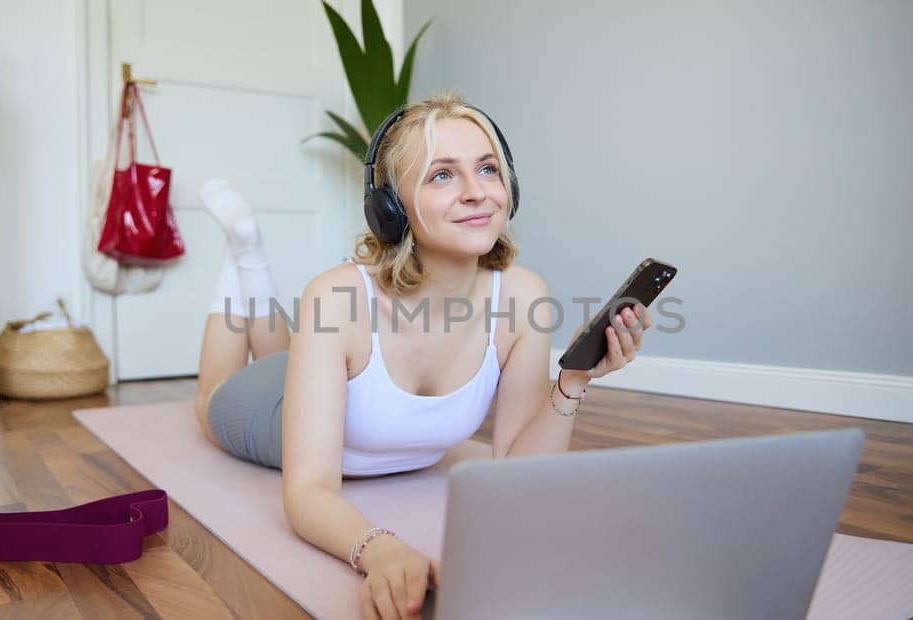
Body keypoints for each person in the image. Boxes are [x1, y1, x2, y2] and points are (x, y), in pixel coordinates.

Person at [191, 90, 652, 620]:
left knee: (292, 352)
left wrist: (573, 381)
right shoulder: (336, 295)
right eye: (442, 175)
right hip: (265, 412)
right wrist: (381, 549)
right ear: (391, 207)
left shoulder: (523, 296)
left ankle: (253, 264)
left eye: (487, 169)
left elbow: (517, 471)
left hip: (329, 373)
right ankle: (243, 254)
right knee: (211, 398)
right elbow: (309, 490)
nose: (477, 193)